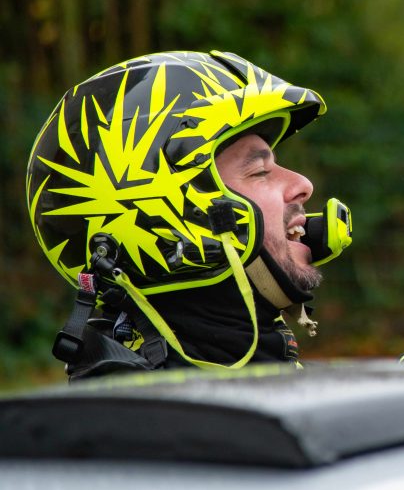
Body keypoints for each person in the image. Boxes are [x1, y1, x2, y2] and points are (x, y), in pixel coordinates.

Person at [27, 50, 352, 379]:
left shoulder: (241, 395)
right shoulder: (137, 423)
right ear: (168, 213)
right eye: (259, 171)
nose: (302, 184)